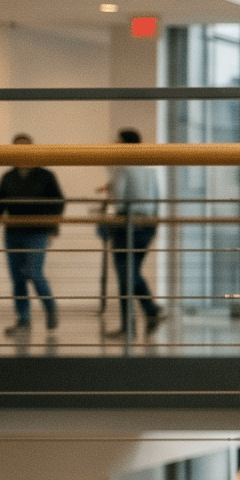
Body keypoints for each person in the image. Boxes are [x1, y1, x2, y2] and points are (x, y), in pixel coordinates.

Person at [0, 136, 66, 333]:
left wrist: (52, 227)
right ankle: (23, 320)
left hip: (37, 232)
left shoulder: (46, 175)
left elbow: (58, 202)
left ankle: (50, 308)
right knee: (17, 278)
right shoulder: (8, 177)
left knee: (33, 272)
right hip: (13, 233)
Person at [100, 128, 164, 336]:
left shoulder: (122, 168)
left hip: (127, 226)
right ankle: (149, 311)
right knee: (132, 272)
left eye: (117, 142)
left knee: (126, 274)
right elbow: (156, 200)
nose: (114, 145)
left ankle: (132, 325)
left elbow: (118, 202)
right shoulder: (149, 171)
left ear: (125, 145)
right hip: (148, 225)